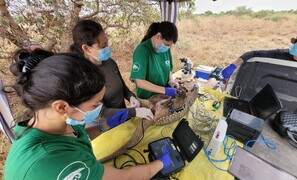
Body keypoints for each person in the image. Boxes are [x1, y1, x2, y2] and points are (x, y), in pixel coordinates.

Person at [4, 52, 171, 180]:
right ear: (62, 106)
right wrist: (162, 163)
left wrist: (106, 125)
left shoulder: (47, 123)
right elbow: (125, 177)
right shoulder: (55, 162)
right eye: (94, 105)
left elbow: (77, 135)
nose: (99, 108)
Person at [70, 20, 154, 133]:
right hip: (104, 126)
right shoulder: (83, 76)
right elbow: (101, 112)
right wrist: (135, 112)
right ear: (86, 48)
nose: (107, 48)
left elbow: (123, 87)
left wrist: (131, 97)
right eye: (103, 45)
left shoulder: (109, 63)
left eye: (107, 43)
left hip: (124, 117)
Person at [221, 24, 297, 80]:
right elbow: (253, 54)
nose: (296, 44)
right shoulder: (283, 54)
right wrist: (233, 66)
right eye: (295, 40)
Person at [130, 21, 178, 99]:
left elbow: (169, 69)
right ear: (158, 36)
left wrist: (171, 81)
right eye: (167, 45)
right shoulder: (142, 51)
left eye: (170, 46)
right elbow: (139, 82)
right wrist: (164, 90)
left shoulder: (166, 49)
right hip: (148, 98)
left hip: (162, 95)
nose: (168, 48)